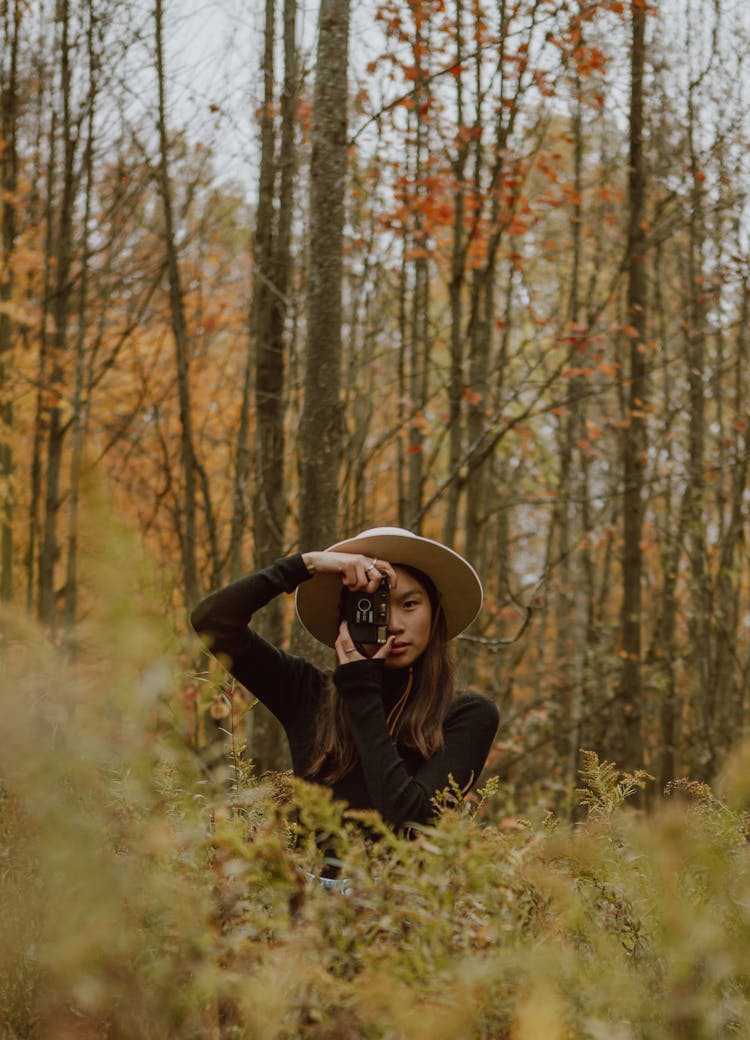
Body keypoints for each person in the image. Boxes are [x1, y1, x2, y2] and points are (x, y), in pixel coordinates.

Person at [190, 526, 499, 842]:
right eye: (373, 607)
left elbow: (411, 819)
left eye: (409, 604)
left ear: (434, 614)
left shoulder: (466, 714)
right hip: (310, 891)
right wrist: (307, 564)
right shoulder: (307, 692)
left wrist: (362, 691)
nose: (393, 624)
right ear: (347, 618)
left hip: (404, 891)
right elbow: (213, 622)